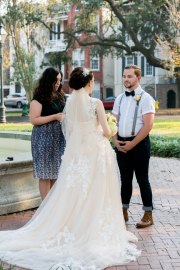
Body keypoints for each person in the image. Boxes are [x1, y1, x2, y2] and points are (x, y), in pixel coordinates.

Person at [0, 67, 140, 270]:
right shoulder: (96, 103)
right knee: (96, 192)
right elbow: (107, 133)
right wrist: (108, 126)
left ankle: (73, 226)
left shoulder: (70, 103)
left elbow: (71, 131)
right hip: (95, 154)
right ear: (89, 82)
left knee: (75, 193)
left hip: (78, 155)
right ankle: (90, 229)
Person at [112, 65, 155, 228]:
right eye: (124, 76)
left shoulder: (146, 98)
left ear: (138, 78)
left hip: (139, 144)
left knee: (142, 179)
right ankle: (123, 210)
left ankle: (148, 214)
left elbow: (148, 125)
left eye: (129, 76)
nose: (125, 79)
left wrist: (132, 144)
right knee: (125, 179)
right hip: (121, 143)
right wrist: (115, 141)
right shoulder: (119, 99)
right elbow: (113, 121)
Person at [30, 67, 66, 200]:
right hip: (43, 138)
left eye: (60, 80)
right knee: (45, 173)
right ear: (48, 80)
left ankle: (54, 206)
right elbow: (34, 119)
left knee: (57, 171)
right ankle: (45, 208)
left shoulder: (60, 95)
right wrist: (55, 117)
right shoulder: (39, 97)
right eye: (55, 80)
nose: (58, 83)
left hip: (59, 137)